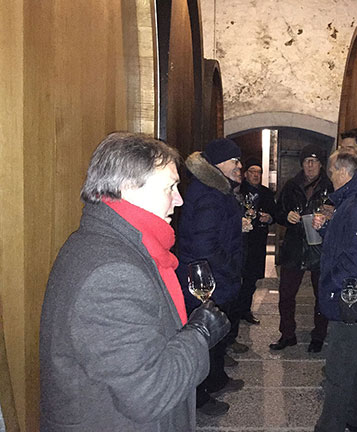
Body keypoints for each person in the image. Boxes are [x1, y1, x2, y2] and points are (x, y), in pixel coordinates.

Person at [40, 132, 230, 431]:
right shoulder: (113, 272)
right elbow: (150, 393)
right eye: (170, 187)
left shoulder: (108, 242)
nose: (179, 200)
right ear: (128, 187)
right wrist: (200, 333)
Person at [313, 150, 357, 432]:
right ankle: (355, 421)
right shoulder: (355, 201)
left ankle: (329, 426)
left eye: (331, 172)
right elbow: (347, 243)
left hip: (350, 298)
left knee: (338, 370)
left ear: (343, 172)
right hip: (356, 297)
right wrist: (327, 229)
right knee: (355, 365)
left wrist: (332, 285)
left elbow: (356, 260)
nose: (330, 178)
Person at [176, 138, 246, 416]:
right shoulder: (208, 194)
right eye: (234, 161)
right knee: (203, 339)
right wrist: (231, 266)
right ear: (218, 163)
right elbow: (204, 245)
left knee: (215, 334)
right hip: (208, 279)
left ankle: (216, 379)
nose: (239, 166)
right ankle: (200, 397)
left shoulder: (216, 188)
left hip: (217, 276)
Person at [270, 144, 333, 353]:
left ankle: (319, 336)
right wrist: (286, 216)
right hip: (294, 246)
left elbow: (339, 214)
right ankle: (287, 334)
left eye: (314, 161)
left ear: (321, 164)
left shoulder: (330, 186)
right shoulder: (291, 185)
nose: (310, 165)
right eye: (307, 161)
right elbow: (278, 212)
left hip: (319, 246)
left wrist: (328, 216)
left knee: (321, 295)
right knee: (286, 294)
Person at [237, 158, 276, 325]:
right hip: (240, 240)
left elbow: (275, 213)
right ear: (246, 174)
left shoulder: (266, 193)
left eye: (259, 172)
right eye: (252, 171)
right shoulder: (238, 190)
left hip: (258, 240)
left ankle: (245, 310)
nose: (255, 175)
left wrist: (269, 218)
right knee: (238, 276)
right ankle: (235, 311)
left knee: (251, 278)